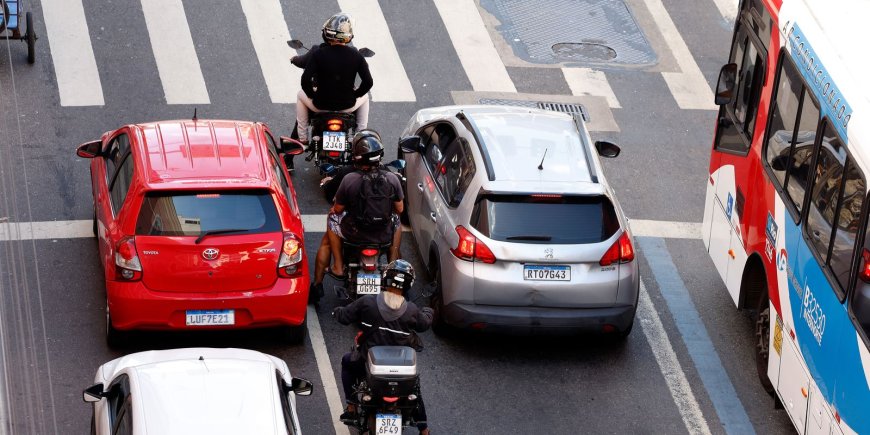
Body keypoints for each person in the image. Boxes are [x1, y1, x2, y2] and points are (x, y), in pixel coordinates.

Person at [332, 260, 433, 434]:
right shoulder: (411, 309)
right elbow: (424, 325)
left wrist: (337, 311)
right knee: (414, 388)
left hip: (367, 365)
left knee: (347, 362)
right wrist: (429, 312)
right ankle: (424, 429)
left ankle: (351, 406)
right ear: (409, 284)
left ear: (385, 278)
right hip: (401, 372)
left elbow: (345, 316)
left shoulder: (367, 302)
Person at [309, 130, 404, 301]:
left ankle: (335, 268)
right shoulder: (392, 178)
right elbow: (400, 209)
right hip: (383, 235)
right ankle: (392, 264)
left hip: (353, 233)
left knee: (331, 220)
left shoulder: (349, 179)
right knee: (397, 221)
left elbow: (337, 209)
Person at [295, 13, 373, 143]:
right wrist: (356, 94)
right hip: (348, 105)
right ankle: (359, 138)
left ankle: (302, 139)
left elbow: (305, 80)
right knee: (365, 98)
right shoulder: (356, 55)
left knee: (300, 95)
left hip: (319, 105)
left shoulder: (318, 54)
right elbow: (368, 82)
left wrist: (312, 95)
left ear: (327, 34)